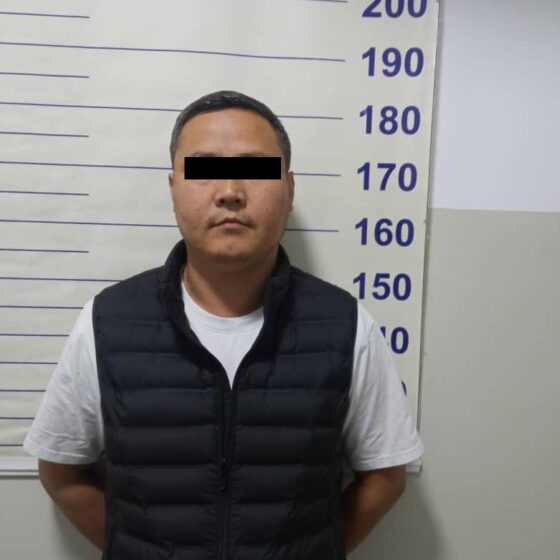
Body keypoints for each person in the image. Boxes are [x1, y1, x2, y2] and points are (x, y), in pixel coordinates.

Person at [23, 90, 424, 559]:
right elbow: (62, 472)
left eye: (256, 169)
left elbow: (386, 476)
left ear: (289, 188)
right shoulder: (106, 323)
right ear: (173, 187)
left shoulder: (346, 326)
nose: (230, 190)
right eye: (203, 169)